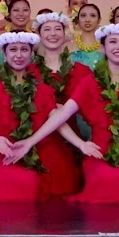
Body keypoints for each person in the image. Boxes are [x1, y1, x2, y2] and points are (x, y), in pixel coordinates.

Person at [20, 23, 119, 204]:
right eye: (113, 42)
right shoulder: (90, 82)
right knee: (105, 180)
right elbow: (61, 114)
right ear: (102, 48)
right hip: (99, 151)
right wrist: (32, 142)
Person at [0, 32, 85, 201]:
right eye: (13, 50)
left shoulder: (41, 89)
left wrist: (80, 144)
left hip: (36, 147)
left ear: (31, 53)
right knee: (14, 184)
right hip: (0, 147)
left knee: (47, 176)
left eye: (24, 50)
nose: (19, 55)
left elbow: (57, 120)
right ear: (4, 53)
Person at [29, 11, 91, 197]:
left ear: (64, 34)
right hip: (39, 137)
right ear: (39, 34)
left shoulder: (81, 71)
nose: (53, 34)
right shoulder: (29, 71)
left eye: (57, 29)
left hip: (72, 137)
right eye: (47, 29)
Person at [69, 3, 104, 68]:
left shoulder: (105, 46)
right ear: (78, 20)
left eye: (92, 15)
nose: (87, 20)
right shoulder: (68, 46)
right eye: (83, 15)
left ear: (99, 20)